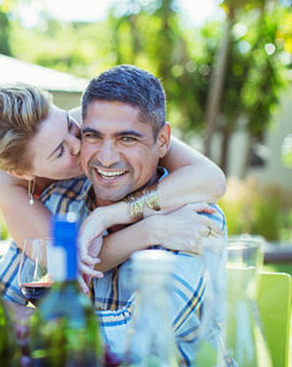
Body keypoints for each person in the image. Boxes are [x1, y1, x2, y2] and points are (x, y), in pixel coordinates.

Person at [33, 65, 226, 363]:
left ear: (162, 141)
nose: (107, 158)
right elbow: (5, 296)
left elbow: (135, 335)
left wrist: (21, 321)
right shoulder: (60, 201)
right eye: (93, 136)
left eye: (127, 139)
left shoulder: (196, 218)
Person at [0, 82, 225, 302]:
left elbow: (210, 179)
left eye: (70, 126)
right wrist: (151, 230)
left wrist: (109, 215)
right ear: (23, 173)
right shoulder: (4, 180)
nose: (80, 145)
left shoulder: (91, 120)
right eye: (60, 152)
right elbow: (75, 262)